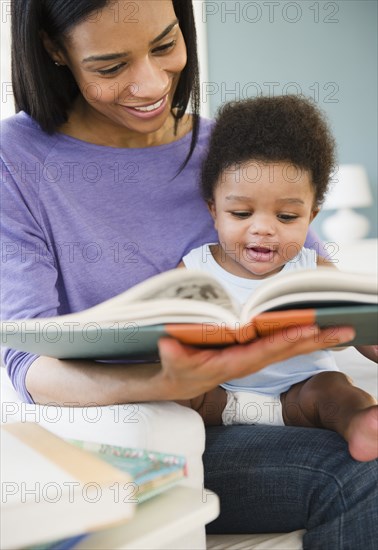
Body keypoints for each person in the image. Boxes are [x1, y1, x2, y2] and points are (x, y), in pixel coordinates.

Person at [1, 1, 376, 547]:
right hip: (137, 430)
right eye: (111, 67)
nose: (151, 83)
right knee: (364, 477)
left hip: (264, 403)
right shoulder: (16, 160)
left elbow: (322, 288)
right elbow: (25, 358)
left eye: (165, 44)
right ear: (55, 50)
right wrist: (162, 382)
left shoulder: (237, 150)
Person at [179, 95, 378, 462]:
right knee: (172, 391)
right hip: (216, 398)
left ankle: (362, 426)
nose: (264, 229)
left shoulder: (315, 272)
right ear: (214, 211)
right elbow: (163, 330)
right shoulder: (193, 269)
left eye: (287, 217)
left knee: (338, 391)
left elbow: (362, 327)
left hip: (301, 396)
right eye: (241, 213)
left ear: (311, 217)